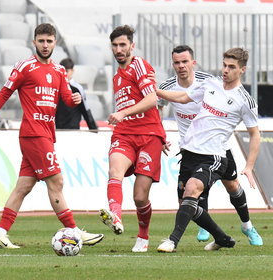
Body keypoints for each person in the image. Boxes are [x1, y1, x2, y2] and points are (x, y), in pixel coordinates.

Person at [0, 23, 104, 249]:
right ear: (34, 42)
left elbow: (65, 97)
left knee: (23, 187)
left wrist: (74, 100)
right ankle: (74, 231)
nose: (45, 45)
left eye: (49, 41)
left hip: (46, 133)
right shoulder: (25, 67)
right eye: (41, 41)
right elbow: (4, 93)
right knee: (57, 181)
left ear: (55, 43)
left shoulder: (59, 71)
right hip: (33, 133)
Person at [155, 47, 261, 253]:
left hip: (214, 155)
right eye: (224, 65)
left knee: (194, 188)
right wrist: (155, 91)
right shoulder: (210, 84)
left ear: (242, 70)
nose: (226, 70)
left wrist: (249, 166)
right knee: (187, 202)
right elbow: (183, 98)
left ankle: (172, 241)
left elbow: (255, 134)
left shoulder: (244, 100)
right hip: (189, 152)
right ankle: (222, 238)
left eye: (231, 67)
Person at [98, 25, 168, 253]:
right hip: (124, 134)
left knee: (139, 197)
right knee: (114, 171)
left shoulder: (138, 65)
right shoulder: (116, 77)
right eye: (115, 45)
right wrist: (124, 116)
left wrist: (160, 135)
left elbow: (151, 99)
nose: (119, 49)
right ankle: (115, 216)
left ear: (131, 46)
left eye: (123, 45)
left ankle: (143, 236)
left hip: (148, 136)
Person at [55, 58, 98, 131]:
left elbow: (85, 109)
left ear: (72, 71)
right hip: (59, 129)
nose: (64, 74)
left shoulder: (77, 88)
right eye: (62, 71)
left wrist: (93, 129)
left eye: (67, 71)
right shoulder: (56, 88)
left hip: (73, 129)